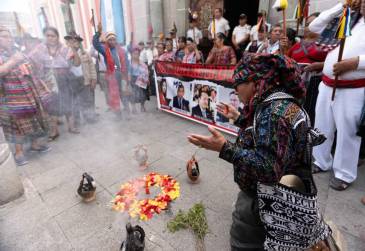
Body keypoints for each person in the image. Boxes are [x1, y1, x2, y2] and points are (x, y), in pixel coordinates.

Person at [187, 53, 325, 250]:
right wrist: (240, 118)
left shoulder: (273, 113)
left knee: (243, 243)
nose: (235, 91)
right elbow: (274, 140)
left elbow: (268, 169)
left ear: (255, 82)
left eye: (237, 85)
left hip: (264, 200)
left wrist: (224, 148)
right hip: (285, 193)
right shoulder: (283, 102)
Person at [309, 0, 365, 190]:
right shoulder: (349, 18)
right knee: (322, 125)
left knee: (348, 131)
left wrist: (354, 63)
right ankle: (321, 160)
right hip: (327, 84)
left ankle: (344, 173)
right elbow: (314, 26)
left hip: (353, 89)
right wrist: (342, 6)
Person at [0, 26, 51, 166]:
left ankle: (34, 145)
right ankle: (19, 152)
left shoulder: (16, 51)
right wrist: (12, 61)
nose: (8, 39)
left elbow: (31, 68)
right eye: (4, 36)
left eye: (10, 36)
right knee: (17, 124)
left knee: (33, 118)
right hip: (11, 97)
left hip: (28, 91)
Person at [30, 26, 81, 138]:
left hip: (65, 79)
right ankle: (54, 131)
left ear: (57, 37)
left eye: (53, 36)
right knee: (52, 105)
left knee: (68, 102)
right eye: (47, 35)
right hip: (49, 81)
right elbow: (30, 61)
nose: (50, 38)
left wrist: (73, 49)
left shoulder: (65, 49)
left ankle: (71, 127)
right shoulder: (40, 49)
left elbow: (77, 63)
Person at [285, 13, 327, 124]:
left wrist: (320, 65)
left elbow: (335, 61)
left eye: (313, 23)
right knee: (292, 117)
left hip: (315, 87)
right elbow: (285, 61)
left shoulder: (328, 44)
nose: (308, 27)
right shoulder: (296, 45)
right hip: (296, 86)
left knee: (309, 117)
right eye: (307, 24)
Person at [93, 23, 131, 118]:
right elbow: (96, 44)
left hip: (122, 75)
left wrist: (128, 75)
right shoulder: (105, 50)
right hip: (112, 76)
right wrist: (98, 33)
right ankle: (118, 114)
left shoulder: (122, 51)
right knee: (114, 95)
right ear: (107, 41)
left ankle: (127, 112)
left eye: (113, 39)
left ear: (116, 40)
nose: (112, 41)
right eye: (110, 40)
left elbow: (127, 64)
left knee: (124, 94)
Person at [64, 32, 98, 124]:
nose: (75, 43)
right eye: (73, 41)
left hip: (84, 80)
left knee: (87, 100)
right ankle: (77, 121)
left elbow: (92, 67)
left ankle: (89, 118)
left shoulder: (85, 53)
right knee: (75, 102)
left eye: (77, 42)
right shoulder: (67, 54)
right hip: (72, 82)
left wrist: (94, 79)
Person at [130, 48, 149, 112]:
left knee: (142, 94)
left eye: (137, 54)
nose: (136, 55)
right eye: (134, 54)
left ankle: (142, 106)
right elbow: (127, 72)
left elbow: (146, 71)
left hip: (141, 80)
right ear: (132, 54)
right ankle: (133, 108)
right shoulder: (129, 63)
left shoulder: (142, 63)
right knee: (132, 94)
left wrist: (147, 79)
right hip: (133, 79)